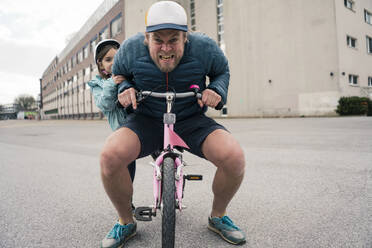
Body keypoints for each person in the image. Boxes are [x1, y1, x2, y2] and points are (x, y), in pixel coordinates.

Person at [99, 1, 246, 247]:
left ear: (185, 37)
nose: (166, 48)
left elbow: (222, 71)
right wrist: (124, 89)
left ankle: (218, 216)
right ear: (147, 38)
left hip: (190, 118)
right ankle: (126, 221)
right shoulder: (130, 49)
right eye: (158, 39)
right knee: (110, 156)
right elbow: (120, 74)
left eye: (174, 39)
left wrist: (215, 89)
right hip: (146, 119)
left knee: (234, 158)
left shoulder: (205, 47)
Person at [87, 39, 136, 189]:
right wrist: (112, 83)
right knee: (127, 164)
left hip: (141, 122)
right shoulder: (98, 85)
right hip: (122, 128)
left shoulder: (128, 76)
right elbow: (105, 105)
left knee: (162, 152)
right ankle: (127, 201)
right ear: (100, 64)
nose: (113, 63)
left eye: (117, 58)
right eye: (108, 60)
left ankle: (168, 185)